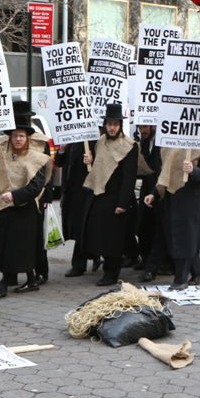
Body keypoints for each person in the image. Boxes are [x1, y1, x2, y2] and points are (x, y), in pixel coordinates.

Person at [80, 103, 138, 286]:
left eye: (115, 124)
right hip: (100, 195)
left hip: (116, 198)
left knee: (114, 238)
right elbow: (100, 166)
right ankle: (108, 266)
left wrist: (123, 203)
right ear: (105, 125)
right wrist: (90, 160)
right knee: (100, 235)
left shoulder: (129, 146)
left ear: (120, 125)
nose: (112, 127)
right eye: (109, 124)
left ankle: (111, 273)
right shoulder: (100, 142)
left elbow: (129, 178)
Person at [0, 114, 50, 295]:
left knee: (23, 246)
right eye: (15, 135)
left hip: (26, 209)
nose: (18, 139)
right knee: (5, 243)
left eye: (22, 136)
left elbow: (36, 186)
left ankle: (31, 280)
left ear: (27, 138)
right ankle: (8, 277)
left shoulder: (36, 158)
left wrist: (15, 195)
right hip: (6, 207)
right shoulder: (4, 156)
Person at [146, 149, 200, 290]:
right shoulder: (167, 149)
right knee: (175, 236)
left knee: (184, 238)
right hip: (171, 198)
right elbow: (165, 174)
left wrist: (193, 170)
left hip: (191, 200)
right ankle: (198, 270)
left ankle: (181, 279)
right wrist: (154, 193)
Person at [55, 140, 92, 277]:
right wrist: (62, 149)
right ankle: (92, 257)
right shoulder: (69, 141)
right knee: (75, 226)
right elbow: (59, 162)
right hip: (70, 191)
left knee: (81, 228)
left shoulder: (90, 141)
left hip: (85, 191)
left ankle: (79, 264)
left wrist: (91, 160)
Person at [135, 125, 166, 281]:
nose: (143, 130)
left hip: (161, 192)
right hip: (147, 191)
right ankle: (147, 261)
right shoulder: (143, 142)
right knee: (143, 228)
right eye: (140, 127)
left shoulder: (163, 140)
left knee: (159, 230)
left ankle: (155, 266)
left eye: (145, 127)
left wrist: (155, 192)